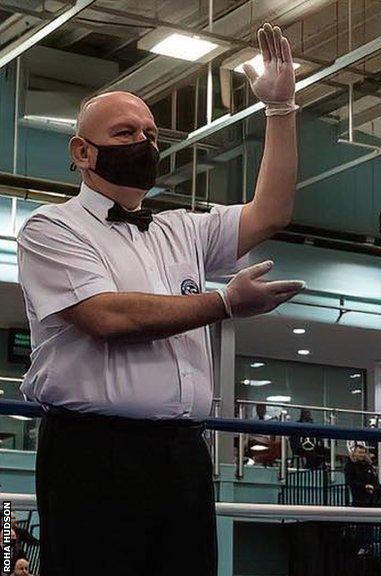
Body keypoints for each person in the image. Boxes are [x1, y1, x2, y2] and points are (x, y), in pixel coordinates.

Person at [15, 23, 302, 576]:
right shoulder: (51, 228)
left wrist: (282, 110)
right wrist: (222, 305)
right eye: (125, 133)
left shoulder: (182, 229)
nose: (144, 143)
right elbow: (107, 315)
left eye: (150, 133)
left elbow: (271, 213)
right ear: (82, 151)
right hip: (93, 452)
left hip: (183, 453)